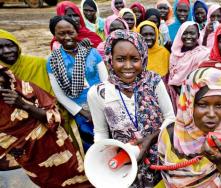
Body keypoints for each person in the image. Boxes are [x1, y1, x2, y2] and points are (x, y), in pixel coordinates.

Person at [88, 30, 175, 188]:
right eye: (120, 59)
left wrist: (150, 139)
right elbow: (100, 132)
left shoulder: (153, 81)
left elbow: (171, 118)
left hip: (162, 158)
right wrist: (101, 161)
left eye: (134, 59)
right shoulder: (98, 93)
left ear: (143, 58)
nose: (128, 66)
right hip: (124, 162)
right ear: (110, 59)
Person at [0, 29, 85, 180]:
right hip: (28, 142)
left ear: (17, 45)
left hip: (58, 127)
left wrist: (24, 105)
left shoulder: (38, 64)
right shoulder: (2, 76)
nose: (6, 51)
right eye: (0, 48)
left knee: (74, 171)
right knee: (47, 176)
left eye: (10, 45)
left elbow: (57, 97)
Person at [158, 67, 221, 187]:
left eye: (219, 105)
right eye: (202, 104)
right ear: (189, 103)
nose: (212, 114)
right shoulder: (170, 134)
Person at [47, 16, 108, 151]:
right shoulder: (52, 61)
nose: (67, 37)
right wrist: (84, 113)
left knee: (110, 139)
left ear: (77, 32)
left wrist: (101, 108)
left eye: (70, 32)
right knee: (91, 144)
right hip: (80, 112)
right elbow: (60, 94)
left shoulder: (92, 52)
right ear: (55, 35)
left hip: (102, 105)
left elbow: (105, 81)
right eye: (61, 34)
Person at [167, 21, 210, 113]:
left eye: (192, 33)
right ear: (180, 35)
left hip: (200, 99)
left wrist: (194, 99)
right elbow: (174, 81)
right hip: (180, 98)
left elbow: (206, 81)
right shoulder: (174, 55)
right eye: (185, 33)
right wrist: (185, 98)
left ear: (198, 36)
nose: (188, 36)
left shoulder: (204, 54)